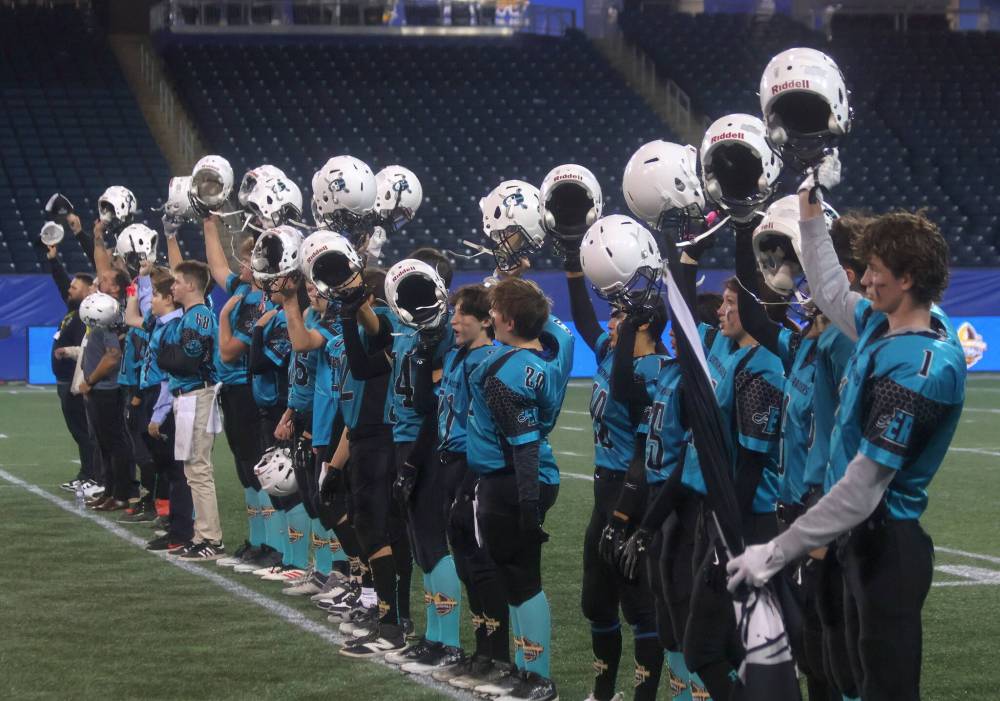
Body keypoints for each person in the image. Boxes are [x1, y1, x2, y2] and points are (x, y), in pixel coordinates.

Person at [726, 164, 967, 701]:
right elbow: (830, 284)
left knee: (883, 689)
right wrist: (808, 200)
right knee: (847, 673)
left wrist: (777, 550)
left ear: (907, 279)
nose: (866, 280)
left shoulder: (920, 367)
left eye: (876, 271)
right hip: (859, 539)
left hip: (888, 542)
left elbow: (863, 487)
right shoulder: (888, 323)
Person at [466, 277, 563, 701]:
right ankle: (525, 670)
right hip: (518, 476)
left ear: (507, 321)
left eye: (496, 310)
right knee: (513, 578)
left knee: (523, 580)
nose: (490, 315)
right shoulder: (544, 355)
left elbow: (523, 444)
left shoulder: (506, 373)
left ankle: (537, 677)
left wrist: (527, 503)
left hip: (516, 479)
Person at [158, 260, 225, 560]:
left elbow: (186, 360)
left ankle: (211, 538)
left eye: (176, 281)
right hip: (187, 396)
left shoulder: (198, 315)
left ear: (191, 285)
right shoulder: (188, 315)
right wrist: (169, 355)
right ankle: (201, 535)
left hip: (197, 394)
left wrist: (167, 354)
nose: (172, 287)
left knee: (198, 468)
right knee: (191, 469)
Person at [124, 270, 194, 552]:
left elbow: (168, 376)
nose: (150, 299)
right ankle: (174, 525)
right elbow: (133, 315)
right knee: (167, 469)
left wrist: (158, 414)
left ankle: (181, 530)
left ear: (167, 299)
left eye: (155, 294)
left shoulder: (173, 327)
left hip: (164, 398)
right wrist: (141, 279)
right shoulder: (160, 323)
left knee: (177, 470)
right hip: (153, 394)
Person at [46, 242, 97, 494]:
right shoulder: (73, 310)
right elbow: (61, 283)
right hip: (64, 381)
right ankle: (86, 474)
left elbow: (85, 352)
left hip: (74, 383)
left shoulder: (86, 315)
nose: (69, 289)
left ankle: (92, 475)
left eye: (75, 287)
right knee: (78, 431)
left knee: (84, 432)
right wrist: (53, 260)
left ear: (87, 292)